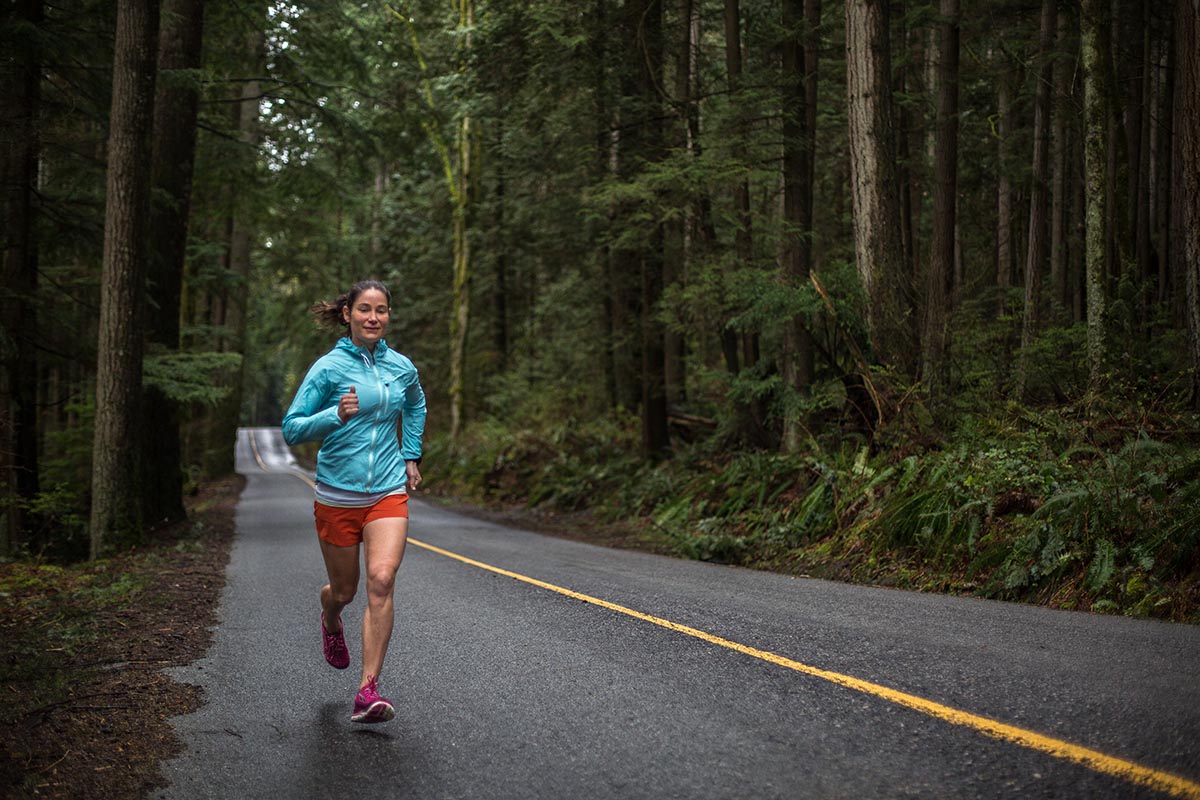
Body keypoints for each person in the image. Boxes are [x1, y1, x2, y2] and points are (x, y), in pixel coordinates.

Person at [282, 279, 427, 724]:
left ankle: (368, 690)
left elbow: (416, 405)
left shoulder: (401, 367)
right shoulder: (327, 368)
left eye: (381, 310)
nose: (373, 318)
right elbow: (291, 428)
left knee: (381, 580)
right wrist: (334, 415)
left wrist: (411, 454)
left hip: (386, 491)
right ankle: (330, 616)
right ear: (347, 314)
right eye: (364, 309)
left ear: (388, 315)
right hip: (336, 496)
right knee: (345, 590)